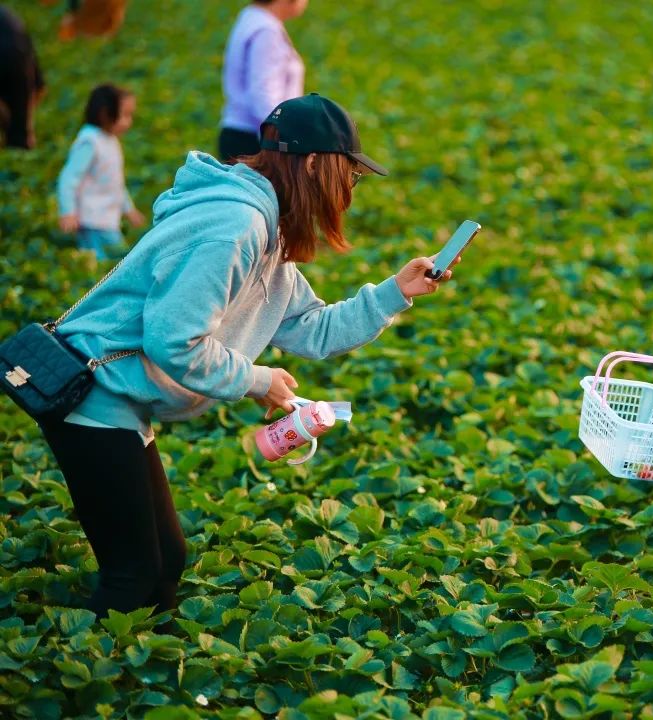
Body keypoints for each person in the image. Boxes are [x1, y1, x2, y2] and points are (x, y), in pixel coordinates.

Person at [39, 93, 449, 620]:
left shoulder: (265, 227)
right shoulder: (235, 226)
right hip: (91, 397)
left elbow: (312, 328)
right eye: (350, 172)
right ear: (316, 164)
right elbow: (175, 341)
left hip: (121, 399)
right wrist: (259, 380)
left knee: (166, 561)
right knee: (134, 574)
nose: (349, 187)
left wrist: (397, 290)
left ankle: (146, 680)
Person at [57, 83, 145, 259]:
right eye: (125, 115)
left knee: (114, 262)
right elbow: (68, 178)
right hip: (92, 219)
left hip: (107, 219)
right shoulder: (90, 141)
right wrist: (68, 211)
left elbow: (115, 182)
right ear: (105, 114)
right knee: (108, 264)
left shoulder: (110, 140)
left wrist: (129, 209)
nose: (129, 122)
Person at [219, 0, 307, 162]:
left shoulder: (251, 17)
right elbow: (263, 94)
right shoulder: (266, 30)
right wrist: (285, 141)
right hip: (256, 140)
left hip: (241, 135)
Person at [0, 5, 46, 149]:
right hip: (18, 52)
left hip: (14, 53)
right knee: (20, 136)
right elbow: (40, 88)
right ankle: (20, 140)